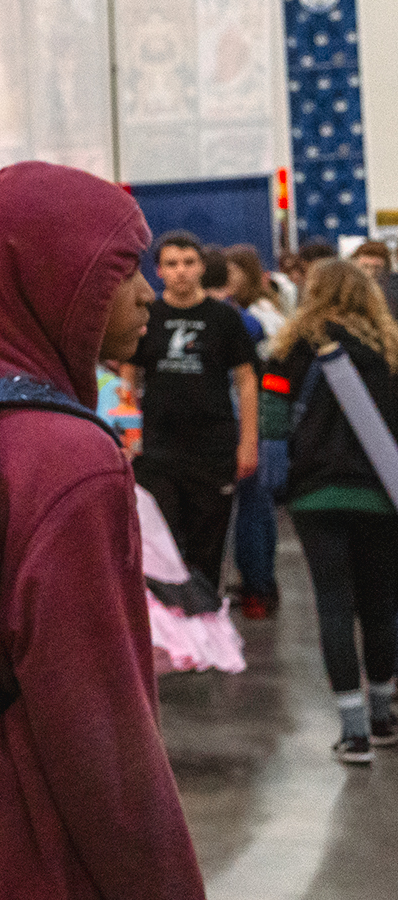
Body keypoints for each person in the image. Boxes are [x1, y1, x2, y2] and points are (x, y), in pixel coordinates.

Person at [0, 162, 203, 899]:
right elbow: (99, 732)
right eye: (121, 270)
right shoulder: (70, 461)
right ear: (59, 281)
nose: (146, 290)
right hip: (32, 862)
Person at [261, 259, 398, 763]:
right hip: (383, 496)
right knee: (382, 607)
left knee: (335, 607)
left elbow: (273, 424)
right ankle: (385, 716)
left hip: (316, 497)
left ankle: (353, 731)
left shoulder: (291, 349)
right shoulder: (390, 350)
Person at [120, 230, 259, 591]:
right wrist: (128, 434)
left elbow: (246, 380)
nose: (181, 271)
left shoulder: (224, 318)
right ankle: (171, 633)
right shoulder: (147, 315)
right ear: (159, 271)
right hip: (158, 449)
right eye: (171, 264)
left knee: (207, 551)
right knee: (161, 545)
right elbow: (128, 376)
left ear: (201, 267)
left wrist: (249, 443)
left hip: (213, 449)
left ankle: (207, 624)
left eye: (188, 262)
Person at [223, 245, 290, 618]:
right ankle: (260, 581)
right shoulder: (254, 313)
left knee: (254, 503)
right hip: (259, 415)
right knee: (256, 505)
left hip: (259, 416)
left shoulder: (256, 317)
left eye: (232, 272)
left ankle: (259, 583)